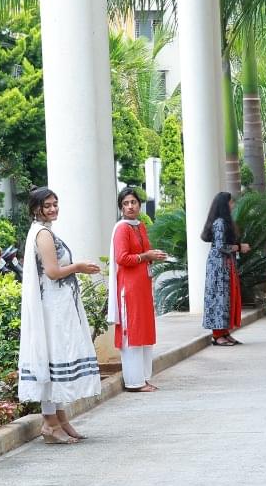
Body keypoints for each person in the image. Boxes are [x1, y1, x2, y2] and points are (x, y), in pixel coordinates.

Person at [19, 187, 104, 443]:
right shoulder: (43, 234)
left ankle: (60, 419)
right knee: (52, 357)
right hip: (52, 308)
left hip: (57, 304)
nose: (53, 208)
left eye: (55, 204)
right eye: (47, 205)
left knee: (54, 358)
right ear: (36, 209)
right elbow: (53, 272)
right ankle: (50, 424)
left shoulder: (44, 231)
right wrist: (78, 267)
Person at [110, 186, 166, 393]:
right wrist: (146, 256)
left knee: (143, 329)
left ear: (139, 205)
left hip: (142, 286)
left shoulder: (140, 226)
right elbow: (122, 258)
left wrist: (153, 255)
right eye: (125, 203)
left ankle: (143, 378)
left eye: (133, 202)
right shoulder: (122, 228)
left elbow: (144, 252)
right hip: (129, 287)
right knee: (132, 330)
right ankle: (134, 381)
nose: (130, 206)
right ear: (121, 208)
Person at [202, 191, 248, 344]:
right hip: (219, 267)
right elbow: (221, 246)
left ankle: (224, 332)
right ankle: (217, 335)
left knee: (226, 298)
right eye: (231, 202)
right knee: (219, 298)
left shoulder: (221, 222)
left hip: (224, 265)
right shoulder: (220, 223)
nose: (233, 205)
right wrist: (240, 247)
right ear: (224, 205)